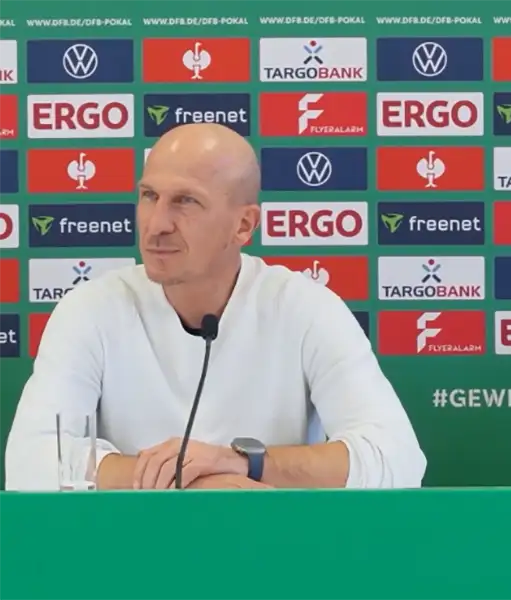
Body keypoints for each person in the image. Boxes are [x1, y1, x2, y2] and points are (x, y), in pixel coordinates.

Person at [5, 123, 426, 491]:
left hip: (275, 555)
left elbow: (398, 460)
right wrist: (190, 480)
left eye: (186, 202)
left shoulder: (305, 308)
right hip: (128, 555)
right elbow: (29, 463)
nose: (157, 225)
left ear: (244, 225)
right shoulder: (89, 310)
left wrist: (242, 463)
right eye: (149, 196)